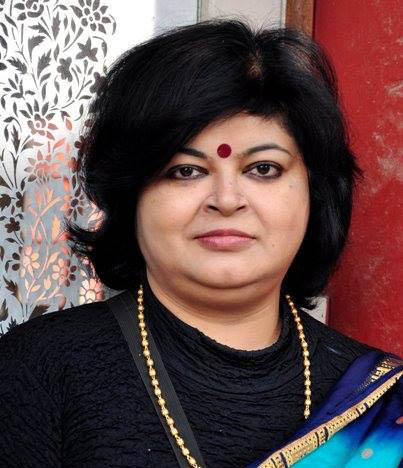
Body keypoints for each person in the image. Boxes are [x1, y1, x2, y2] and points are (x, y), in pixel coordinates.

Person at [0, 19, 401, 468]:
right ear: (130, 195)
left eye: (263, 169)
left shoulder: (385, 410)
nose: (226, 200)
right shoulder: (38, 370)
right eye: (186, 171)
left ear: (316, 191)